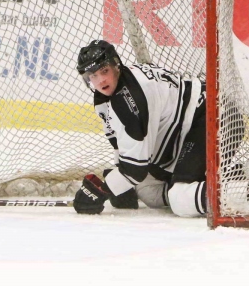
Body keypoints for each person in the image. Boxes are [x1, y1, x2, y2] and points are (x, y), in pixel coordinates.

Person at [73, 39, 208, 218]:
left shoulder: (129, 99)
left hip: (209, 118)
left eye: (104, 71)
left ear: (116, 65)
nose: (101, 80)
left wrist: (103, 190)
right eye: (93, 76)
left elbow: (135, 170)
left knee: (180, 200)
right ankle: (232, 174)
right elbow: (123, 147)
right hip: (188, 129)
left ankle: (240, 190)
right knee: (147, 191)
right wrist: (119, 184)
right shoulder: (109, 94)